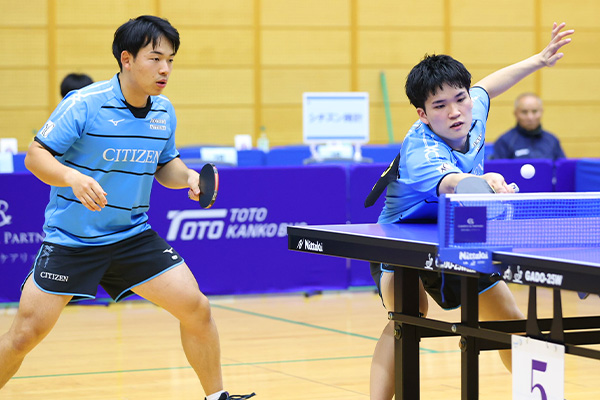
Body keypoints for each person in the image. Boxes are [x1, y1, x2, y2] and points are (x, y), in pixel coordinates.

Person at [0, 15, 255, 400]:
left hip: (132, 236)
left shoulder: (163, 112)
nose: (165, 69)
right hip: (73, 240)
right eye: (155, 58)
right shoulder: (84, 104)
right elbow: (35, 156)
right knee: (24, 335)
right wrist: (72, 178)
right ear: (126, 59)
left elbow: (165, 165)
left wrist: (187, 177)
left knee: (196, 308)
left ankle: (216, 397)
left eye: (170, 60)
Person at [367, 22, 573, 400]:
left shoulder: (471, 107)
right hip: (401, 238)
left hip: (458, 231)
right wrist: (486, 182)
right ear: (422, 114)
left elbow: (489, 86)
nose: (455, 111)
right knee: (408, 319)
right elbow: (451, 183)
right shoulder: (420, 149)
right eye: (440, 106)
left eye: (459, 98)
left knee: (512, 323)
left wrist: (539, 60)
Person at [492, 92, 566, 160]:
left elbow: (562, 167)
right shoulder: (504, 141)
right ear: (516, 113)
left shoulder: (552, 140)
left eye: (534, 111)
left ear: (541, 112)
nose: (530, 117)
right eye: (524, 112)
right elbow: (498, 168)